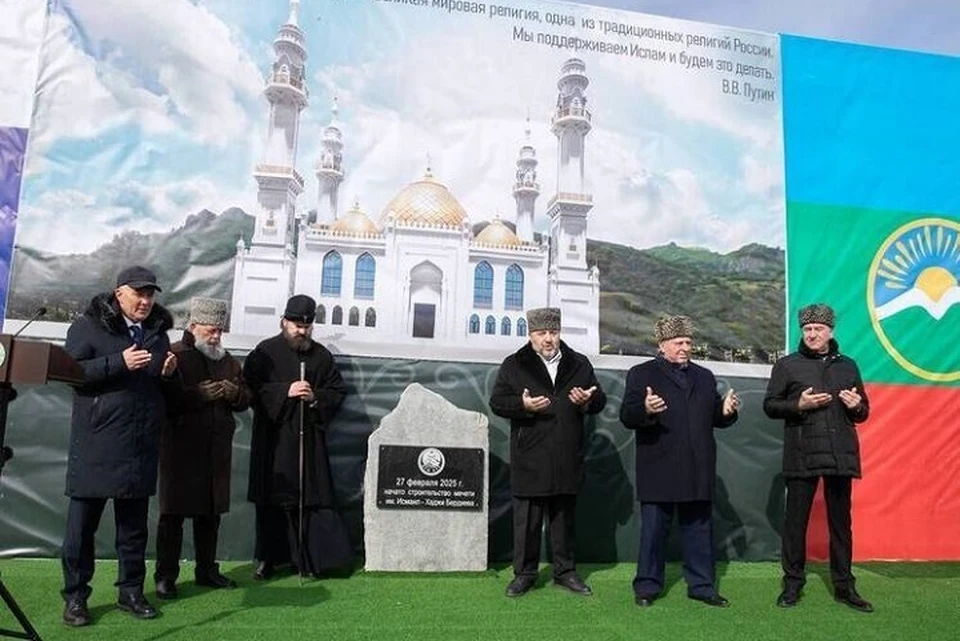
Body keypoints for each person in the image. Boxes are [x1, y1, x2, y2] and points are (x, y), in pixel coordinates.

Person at [61, 265, 177, 626]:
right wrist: (119, 362)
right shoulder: (87, 326)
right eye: (138, 293)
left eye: (150, 294)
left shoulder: (157, 334)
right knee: (81, 532)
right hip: (96, 444)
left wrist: (169, 375)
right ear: (119, 293)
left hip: (139, 446)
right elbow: (73, 374)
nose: (145, 301)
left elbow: (161, 388)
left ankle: (131, 593)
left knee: (134, 531)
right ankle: (76, 600)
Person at [619, 315, 738, 608]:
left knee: (698, 529)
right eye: (678, 342)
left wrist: (725, 411)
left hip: (698, 466)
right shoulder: (641, 373)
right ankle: (647, 586)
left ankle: (701, 586)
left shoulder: (704, 376)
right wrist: (645, 408)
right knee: (653, 532)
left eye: (688, 342)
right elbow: (627, 415)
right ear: (662, 345)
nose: (685, 347)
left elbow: (714, 417)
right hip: (659, 465)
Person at [489, 307, 606, 597]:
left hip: (567, 454)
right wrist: (523, 406)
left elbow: (598, 398)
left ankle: (565, 572)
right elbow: (497, 402)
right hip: (530, 456)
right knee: (526, 522)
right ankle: (525, 574)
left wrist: (587, 400)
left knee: (563, 521)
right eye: (542, 333)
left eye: (553, 332)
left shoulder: (579, 363)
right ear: (531, 336)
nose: (548, 339)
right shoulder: (514, 364)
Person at [763, 304, 873, 613]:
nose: (812, 334)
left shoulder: (848, 366)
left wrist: (855, 406)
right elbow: (770, 405)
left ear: (830, 332)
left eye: (818, 329)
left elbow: (863, 412)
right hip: (802, 453)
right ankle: (793, 584)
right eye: (807, 330)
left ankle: (844, 587)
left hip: (840, 452)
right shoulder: (787, 365)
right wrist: (798, 403)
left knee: (841, 523)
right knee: (795, 523)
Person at [244, 294, 354, 580]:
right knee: (272, 501)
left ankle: (305, 559)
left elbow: (337, 391)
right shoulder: (264, 352)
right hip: (274, 440)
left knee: (309, 499)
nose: (301, 331)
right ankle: (268, 558)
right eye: (295, 324)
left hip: (309, 442)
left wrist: (316, 397)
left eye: (306, 325)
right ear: (284, 321)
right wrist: (285, 391)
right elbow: (250, 389)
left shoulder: (320, 356)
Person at [154, 297, 249, 599]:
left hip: (216, 449)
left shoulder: (228, 361)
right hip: (180, 449)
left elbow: (248, 399)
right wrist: (196, 395)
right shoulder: (174, 356)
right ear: (193, 327)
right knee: (173, 516)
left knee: (210, 515)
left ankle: (207, 570)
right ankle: (165, 576)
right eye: (211, 330)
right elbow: (162, 401)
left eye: (220, 331)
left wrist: (236, 394)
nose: (216, 336)